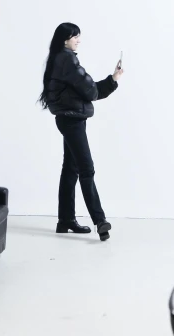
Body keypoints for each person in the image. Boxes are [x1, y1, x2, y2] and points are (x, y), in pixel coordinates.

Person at [38, 23, 124, 241]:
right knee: (87, 168)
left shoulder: (57, 57)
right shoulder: (67, 59)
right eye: (75, 36)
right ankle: (100, 221)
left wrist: (112, 80)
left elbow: (88, 90)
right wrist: (113, 80)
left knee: (71, 169)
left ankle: (65, 220)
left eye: (78, 36)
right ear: (65, 38)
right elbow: (91, 90)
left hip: (67, 119)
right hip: (72, 121)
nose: (78, 40)